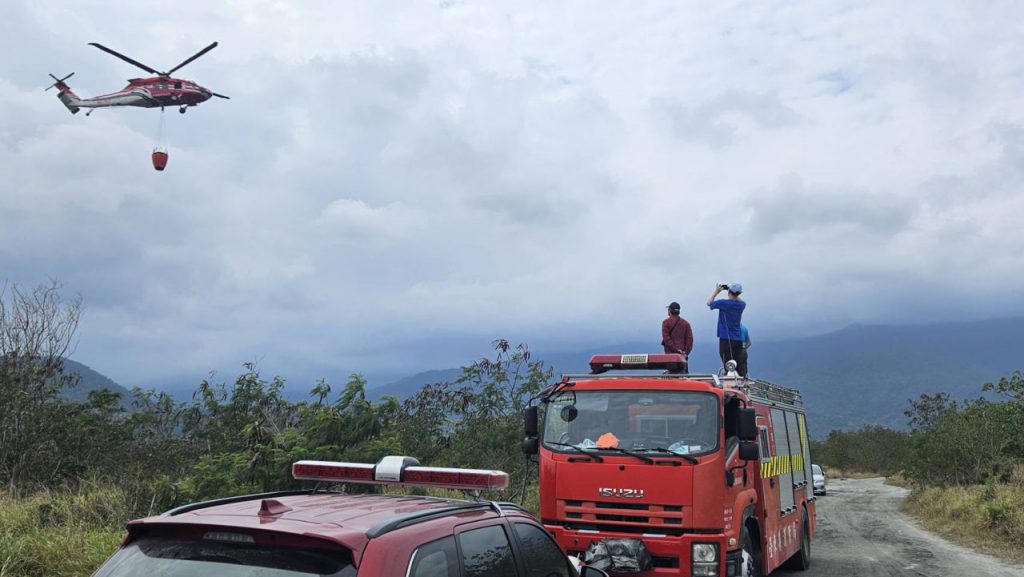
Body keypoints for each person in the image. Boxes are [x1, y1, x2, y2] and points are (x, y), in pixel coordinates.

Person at [707, 283, 747, 376]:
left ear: (729, 291)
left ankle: (729, 386)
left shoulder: (724, 303)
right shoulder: (742, 305)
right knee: (737, 366)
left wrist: (716, 292)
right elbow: (738, 299)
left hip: (726, 339)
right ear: (739, 294)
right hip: (738, 339)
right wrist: (733, 292)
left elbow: (709, 303)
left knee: (728, 367)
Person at [661, 302, 693, 371]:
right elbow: (690, 341)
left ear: (669, 311)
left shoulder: (666, 323)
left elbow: (667, 340)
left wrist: (676, 351)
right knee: (683, 379)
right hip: (683, 359)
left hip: (670, 358)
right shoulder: (686, 324)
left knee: (671, 379)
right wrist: (685, 353)